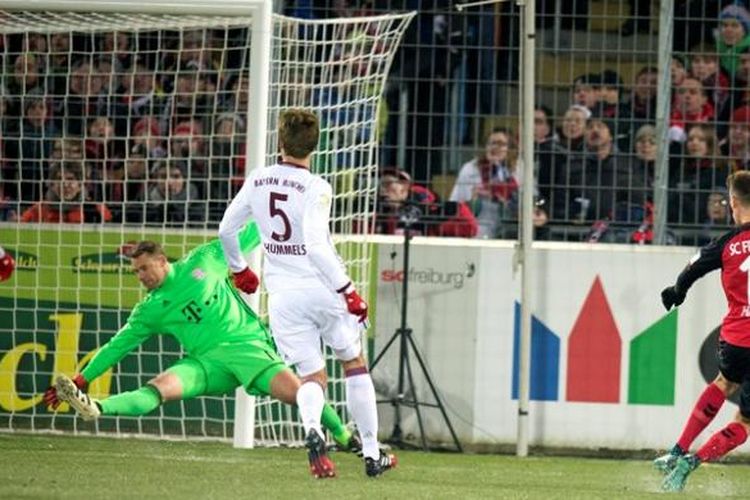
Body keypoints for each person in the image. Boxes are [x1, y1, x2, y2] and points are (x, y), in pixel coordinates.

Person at [43, 224, 360, 463]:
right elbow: (116, 347)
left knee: (300, 393)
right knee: (159, 387)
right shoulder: (150, 309)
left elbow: (248, 232)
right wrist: (82, 379)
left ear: (162, 261)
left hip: (248, 349)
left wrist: (278, 213)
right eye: (135, 271)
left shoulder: (205, 260)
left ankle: (345, 436)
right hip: (206, 364)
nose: (140, 276)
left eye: (143, 268)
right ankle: (97, 408)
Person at [218, 108, 396, 479]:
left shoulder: (258, 179)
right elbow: (316, 247)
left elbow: (226, 230)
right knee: (353, 362)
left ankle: (313, 429)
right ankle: (370, 452)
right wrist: (348, 291)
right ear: (314, 147)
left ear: (280, 142)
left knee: (311, 376)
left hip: (283, 295)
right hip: (322, 287)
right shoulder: (317, 186)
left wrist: (239, 269)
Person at [657, 170, 750, 492]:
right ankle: (691, 462)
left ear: (734, 203)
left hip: (737, 338)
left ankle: (677, 449)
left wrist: (676, 291)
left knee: (724, 382)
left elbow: (693, 267)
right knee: (744, 423)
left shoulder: (726, 243)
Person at [375, 168, 477, 237]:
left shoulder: (426, 203)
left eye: (387, 184)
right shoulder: (380, 214)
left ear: (404, 186)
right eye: (380, 185)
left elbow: (471, 229)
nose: (382, 190)